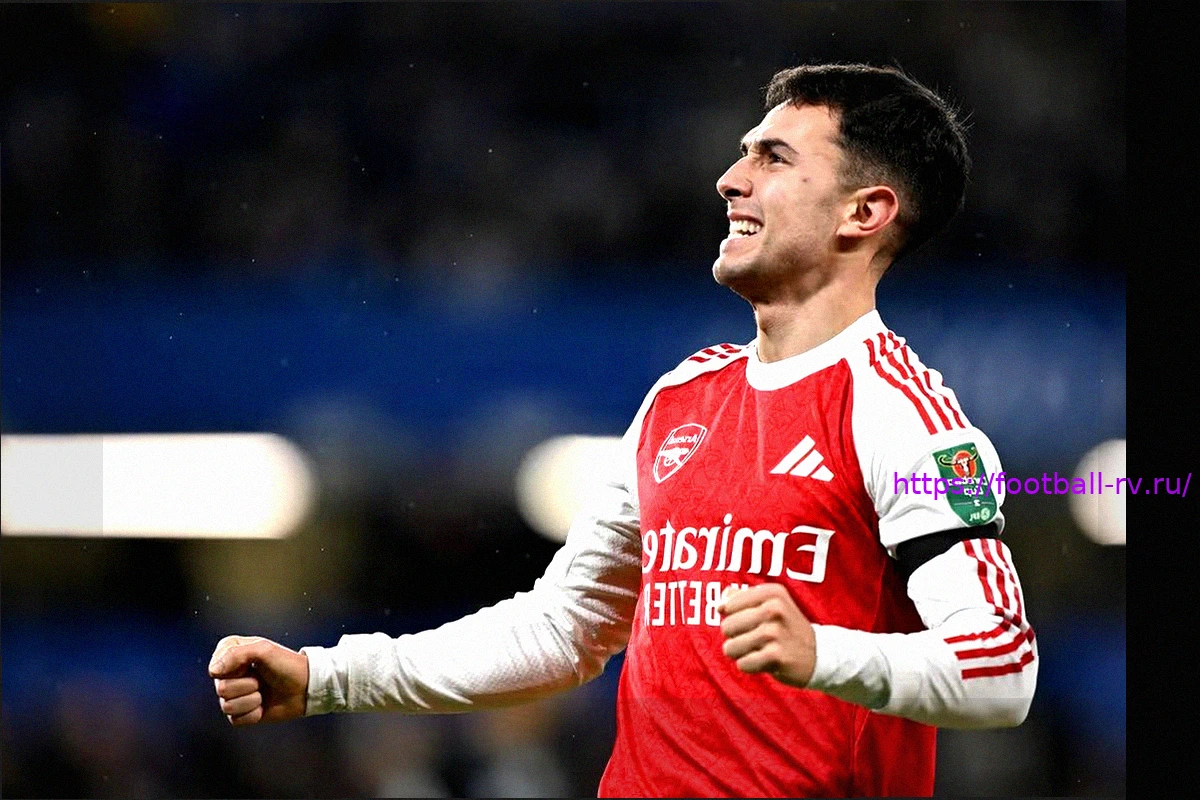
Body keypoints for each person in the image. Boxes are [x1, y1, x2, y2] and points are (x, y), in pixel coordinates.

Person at [209, 63, 1037, 797]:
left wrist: (824, 655)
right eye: (744, 153)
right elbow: (564, 627)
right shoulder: (682, 396)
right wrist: (329, 676)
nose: (730, 179)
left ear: (866, 211)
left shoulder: (905, 417)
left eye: (773, 158)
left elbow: (1002, 669)